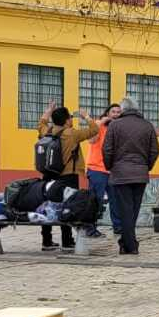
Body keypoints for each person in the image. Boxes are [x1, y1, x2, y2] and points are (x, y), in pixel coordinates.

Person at [37, 102, 99, 252]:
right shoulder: (72, 134)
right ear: (66, 120)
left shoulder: (47, 131)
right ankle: (67, 240)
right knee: (68, 206)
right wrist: (86, 116)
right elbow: (94, 130)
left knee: (48, 206)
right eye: (70, 117)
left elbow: (41, 123)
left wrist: (48, 111)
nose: (72, 120)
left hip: (49, 175)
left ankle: (46, 240)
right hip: (68, 176)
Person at [102, 96, 159, 255]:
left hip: (120, 173)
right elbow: (154, 151)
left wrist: (110, 166)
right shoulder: (147, 126)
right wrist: (146, 166)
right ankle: (127, 243)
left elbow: (107, 149)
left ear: (123, 110)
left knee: (125, 210)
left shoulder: (115, 126)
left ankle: (130, 245)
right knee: (133, 209)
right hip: (140, 173)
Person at [84, 104, 122, 238]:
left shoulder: (118, 129)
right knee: (96, 200)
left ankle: (118, 227)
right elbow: (91, 140)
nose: (116, 114)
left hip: (113, 171)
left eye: (119, 112)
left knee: (116, 201)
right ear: (107, 113)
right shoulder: (98, 125)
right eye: (113, 112)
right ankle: (90, 228)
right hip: (97, 169)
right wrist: (101, 123)